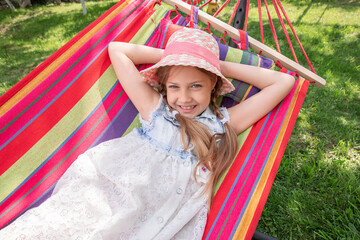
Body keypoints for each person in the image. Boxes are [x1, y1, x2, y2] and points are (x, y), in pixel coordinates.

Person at [0, 28, 294, 239]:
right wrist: (178, 57)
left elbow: (283, 82)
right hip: (114, 193)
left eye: (197, 85)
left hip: (162, 216)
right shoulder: (155, 108)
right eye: (174, 87)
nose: (184, 97)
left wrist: (213, 64)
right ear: (164, 89)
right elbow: (118, 49)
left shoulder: (222, 123)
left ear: (214, 87)